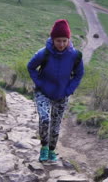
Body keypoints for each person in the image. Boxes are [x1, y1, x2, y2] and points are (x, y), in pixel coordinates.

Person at [27, 19, 85, 162]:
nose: (61, 44)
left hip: (62, 95)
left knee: (56, 124)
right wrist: (40, 84)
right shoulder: (43, 53)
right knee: (45, 119)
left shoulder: (75, 56)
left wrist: (69, 90)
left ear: (68, 40)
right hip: (43, 93)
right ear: (53, 39)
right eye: (58, 40)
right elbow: (31, 67)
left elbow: (79, 74)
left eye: (64, 40)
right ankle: (44, 148)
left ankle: (52, 150)